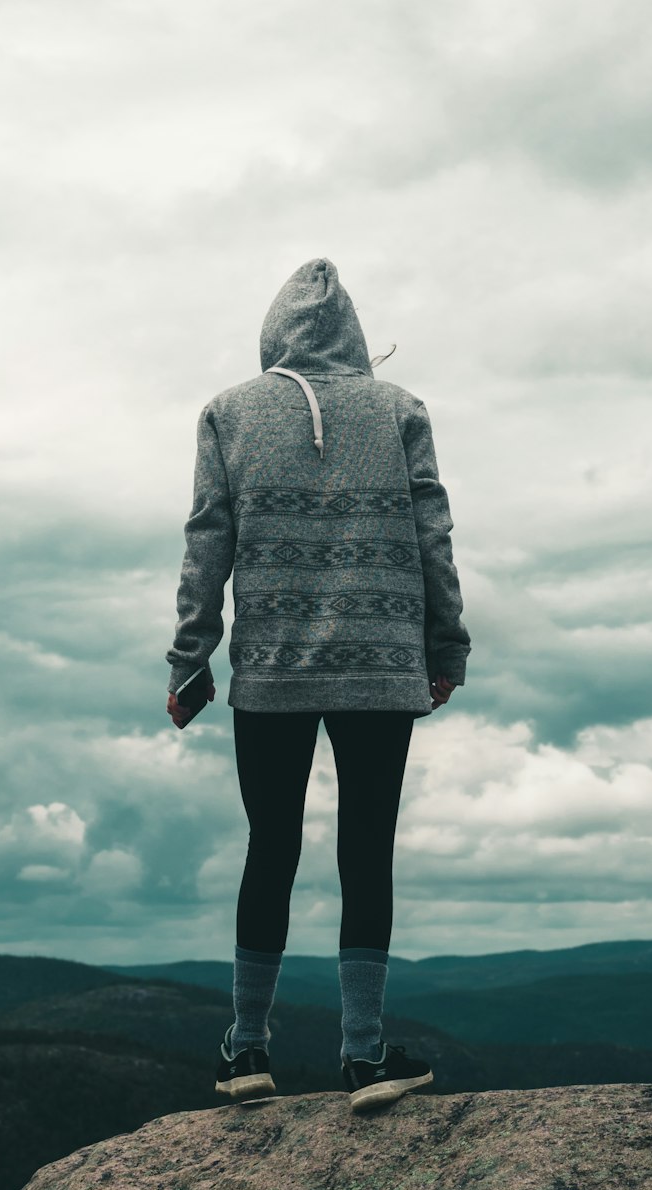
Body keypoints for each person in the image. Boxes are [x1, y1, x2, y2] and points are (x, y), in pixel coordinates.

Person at [165, 257, 471, 1112]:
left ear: (273, 333)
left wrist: (190, 659)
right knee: (366, 851)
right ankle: (365, 1057)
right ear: (357, 338)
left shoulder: (227, 413)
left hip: (272, 667)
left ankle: (247, 1052)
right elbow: (432, 534)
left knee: (273, 847)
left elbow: (206, 543)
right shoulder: (401, 409)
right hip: (381, 663)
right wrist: (445, 648)